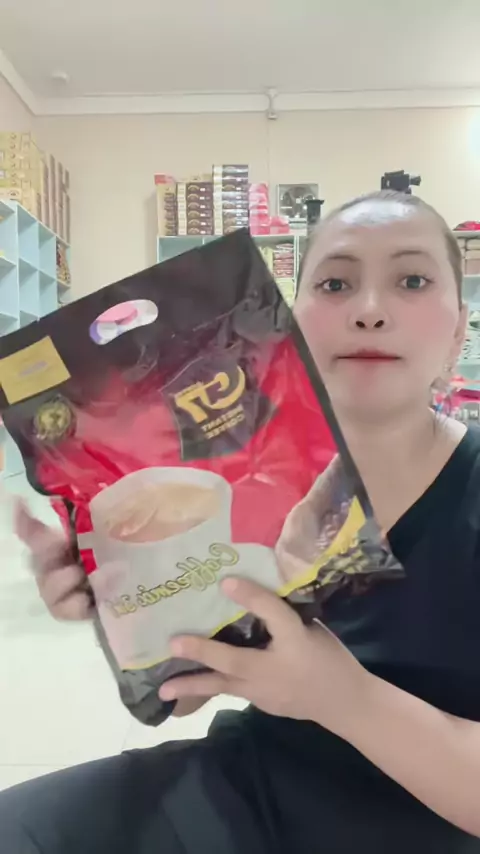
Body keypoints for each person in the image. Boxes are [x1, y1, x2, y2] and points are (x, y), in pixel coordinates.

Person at [2, 189, 480, 853]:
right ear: (291, 320)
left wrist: (339, 696)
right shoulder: (255, 482)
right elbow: (194, 689)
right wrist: (125, 604)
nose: (370, 310)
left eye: (413, 280)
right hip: (244, 793)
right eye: (335, 283)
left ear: (459, 329)